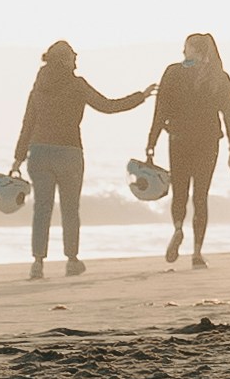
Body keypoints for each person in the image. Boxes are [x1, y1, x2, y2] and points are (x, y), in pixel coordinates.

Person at [12, 41, 152, 282]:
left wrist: (18, 158)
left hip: (39, 153)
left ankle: (37, 264)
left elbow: (28, 124)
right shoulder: (77, 85)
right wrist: (141, 96)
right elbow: (108, 106)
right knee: (70, 208)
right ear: (65, 60)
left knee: (42, 208)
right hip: (69, 153)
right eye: (73, 56)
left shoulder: (38, 87)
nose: (77, 60)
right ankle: (72, 260)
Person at [145, 31, 230, 264]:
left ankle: (178, 229)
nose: (183, 52)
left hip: (178, 140)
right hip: (208, 143)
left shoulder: (174, 72)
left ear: (194, 50)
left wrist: (151, 143)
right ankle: (197, 253)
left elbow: (161, 109)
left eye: (186, 48)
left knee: (180, 191)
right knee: (201, 196)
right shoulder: (219, 77)